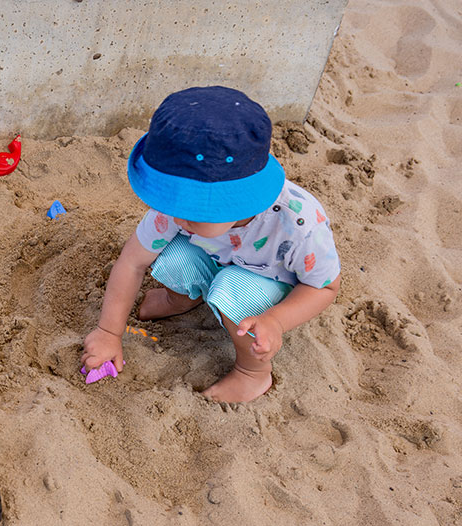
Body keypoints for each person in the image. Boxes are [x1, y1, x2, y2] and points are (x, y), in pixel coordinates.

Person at [81, 86, 341, 403]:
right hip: (220, 257)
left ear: (239, 200)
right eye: (172, 199)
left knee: (229, 289)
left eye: (193, 209)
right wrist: (109, 332)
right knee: (171, 257)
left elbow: (325, 287)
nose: (176, 215)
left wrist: (275, 321)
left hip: (269, 283)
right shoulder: (178, 213)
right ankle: (181, 300)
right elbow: (132, 262)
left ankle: (253, 375)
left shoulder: (298, 225)